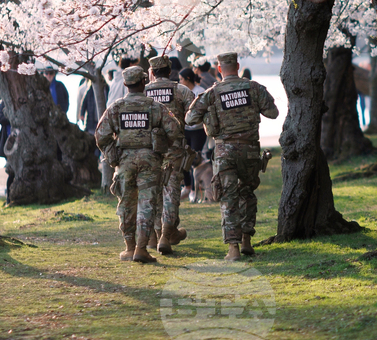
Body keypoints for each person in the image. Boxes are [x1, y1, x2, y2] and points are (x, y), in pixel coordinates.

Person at [186, 52, 279, 261]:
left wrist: (209, 115)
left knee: (228, 198)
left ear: (219, 69)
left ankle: (233, 249)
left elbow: (190, 118)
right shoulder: (254, 88)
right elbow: (273, 113)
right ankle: (247, 240)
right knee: (247, 193)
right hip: (250, 151)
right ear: (237, 66)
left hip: (224, 152)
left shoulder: (212, 93)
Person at [95, 65, 181, 263]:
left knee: (126, 203)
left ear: (125, 84)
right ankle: (142, 248)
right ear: (144, 82)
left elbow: (101, 135)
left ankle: (129, 247)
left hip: (124, 162)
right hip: (150, 161)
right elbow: (174, 129)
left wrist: (113, 155)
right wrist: (162, 146)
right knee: (147, 203)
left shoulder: (116, 107)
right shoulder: (155, 107)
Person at [144, 55, 195, 254]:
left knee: (153, 191)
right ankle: (166, 234)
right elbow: (194, 118)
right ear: (170, 71)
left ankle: (154, 236)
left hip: (150, 151)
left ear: (151, 72)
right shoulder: (181, 91)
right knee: (171, 192)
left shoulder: (143, 92)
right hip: (174, 151)